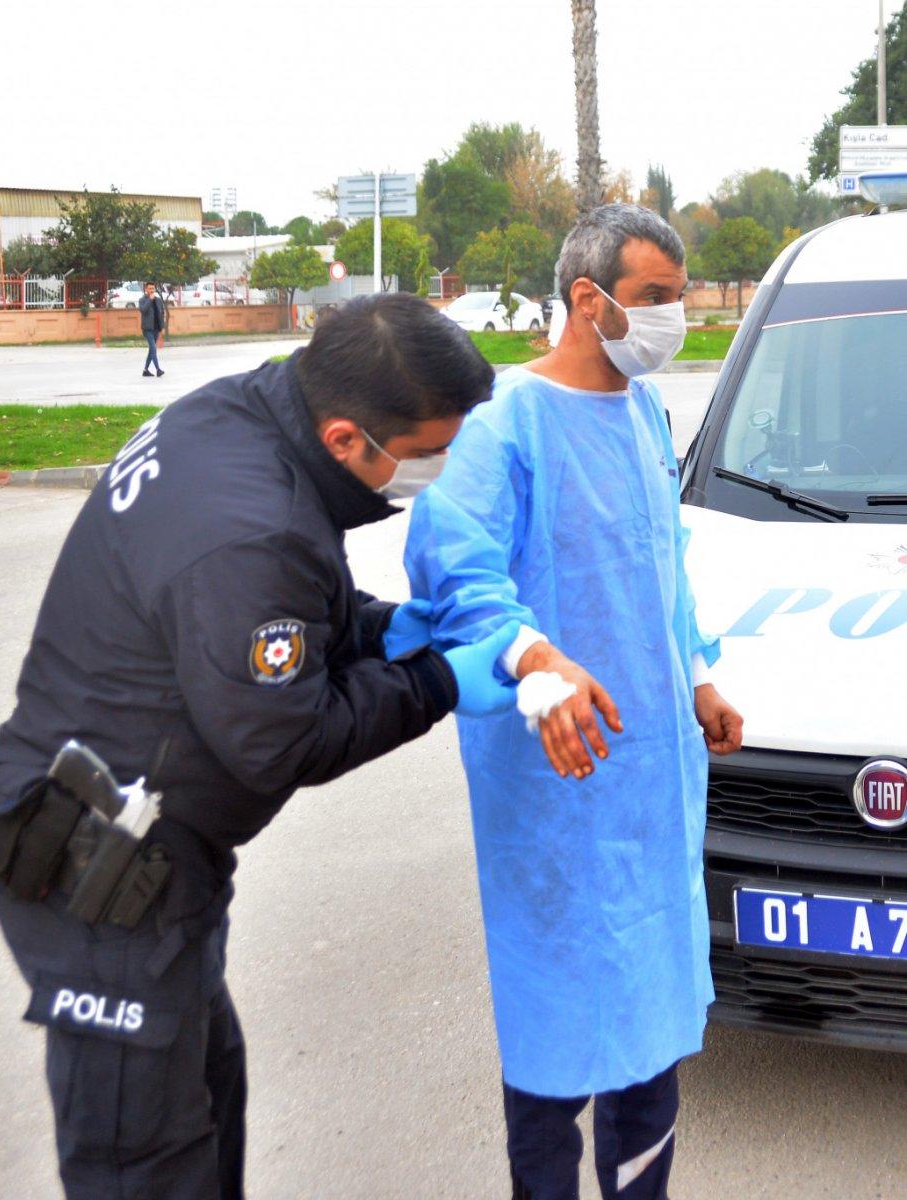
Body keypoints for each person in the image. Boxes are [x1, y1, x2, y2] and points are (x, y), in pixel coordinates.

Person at [0, 293, 520, 1200]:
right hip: (100, 873)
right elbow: (283, 737)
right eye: (425, 452)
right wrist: (439, 685)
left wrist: (383, 632)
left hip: (146, 849)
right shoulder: (251, 527)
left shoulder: (243, 417)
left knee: (210, 1095)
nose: (438, 470)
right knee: (142, 1160)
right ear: (347, 439)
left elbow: (283, 614)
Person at [405, 204, 744, 1200]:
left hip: (651, 784)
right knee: (558, 1035)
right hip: (558, 786)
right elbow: (453, 573)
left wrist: (696, 676)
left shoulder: (643, 414)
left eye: (677, 298)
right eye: (652, 300)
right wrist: (535, 664)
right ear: (586, 300)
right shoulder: (504, 428)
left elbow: (661, 567)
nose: (670, 320)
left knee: (648, 1018)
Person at [138, 280, 166, 377]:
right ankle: (158, 369)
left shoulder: (158, 300)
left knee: (152, 350)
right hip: (147, 329)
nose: (151, 290)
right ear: (146, 289)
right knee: (153, 347)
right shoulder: (142, 300)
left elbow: (161, 314)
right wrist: (149, 300)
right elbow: (143, 310)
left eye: (153, 288)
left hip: (156, 328)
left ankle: (145, 370)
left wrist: (162, 327)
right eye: (149, 288)